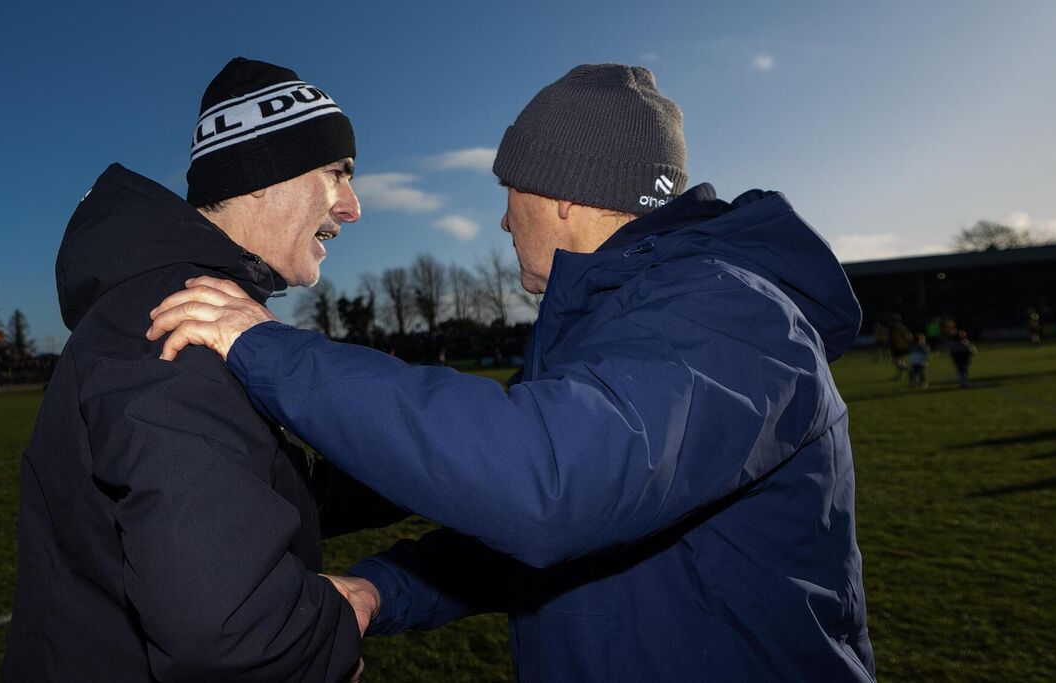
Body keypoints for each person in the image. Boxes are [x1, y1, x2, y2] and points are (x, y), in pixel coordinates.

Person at [149, 64, 876, 681]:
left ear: (562, 194)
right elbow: (569, 537)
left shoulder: (731, 316)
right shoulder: (625, 325)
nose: (502, 222)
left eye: (510, 193)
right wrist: (382, 588)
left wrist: (267, 346)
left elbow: (545, 484)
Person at [3, 58, 396, 681]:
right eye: (336, 173)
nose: (351, 206)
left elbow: (243, 484)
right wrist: (333, 629)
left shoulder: (198, 307)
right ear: (265, 173)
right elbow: (226, 629)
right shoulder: (178, 323)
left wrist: (417, 465)